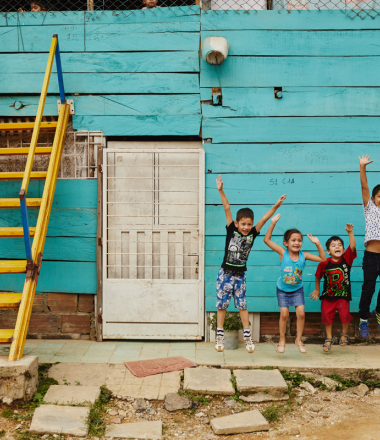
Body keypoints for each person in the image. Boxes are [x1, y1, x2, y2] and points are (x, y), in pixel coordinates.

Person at [215, 174, 286, 353]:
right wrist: (221, 190)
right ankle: (219, 335)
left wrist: (276, 206)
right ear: (237, 223)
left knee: (242, 305)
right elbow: (227, 207)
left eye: (249, 224)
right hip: (225, 274)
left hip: (240, 275)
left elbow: (264, 218)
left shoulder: (253, 234)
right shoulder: (231, 229)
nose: (246, 227)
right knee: (222, 305)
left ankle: (247, 337)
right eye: (243, 224)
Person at [264, 214, 327, 354]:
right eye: (293, 240)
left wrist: (317, 243)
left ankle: (298, 340)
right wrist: (272, 223)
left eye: (299, 240)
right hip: (282, 289)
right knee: (284, 314)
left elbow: (323, 258)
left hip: (297, 289)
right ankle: (282, 340)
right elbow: (266, 240)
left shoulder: (304, 255)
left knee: (301, 314)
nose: (297, 243)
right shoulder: (282, 252)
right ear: (286, 243)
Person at [310, 225, 357, 352]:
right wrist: (317, 290)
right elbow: (317, 276)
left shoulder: (347, 259)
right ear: (328, 251)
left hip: (343, 295)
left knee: (344, 315)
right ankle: (329, 338)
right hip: (328, 296)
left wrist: (350, 232)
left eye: (339, 245)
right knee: (327, 317)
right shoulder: (324, 262)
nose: (337, 247)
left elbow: (352, 246)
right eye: (333, 245)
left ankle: (344, 334)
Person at [358, 154, 380, 338]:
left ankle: (378, 312)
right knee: (369, 288)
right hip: (371, 256)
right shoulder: (370, 208)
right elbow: (364, 186)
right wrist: (362, 167)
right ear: (373, 198)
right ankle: (363, 320)